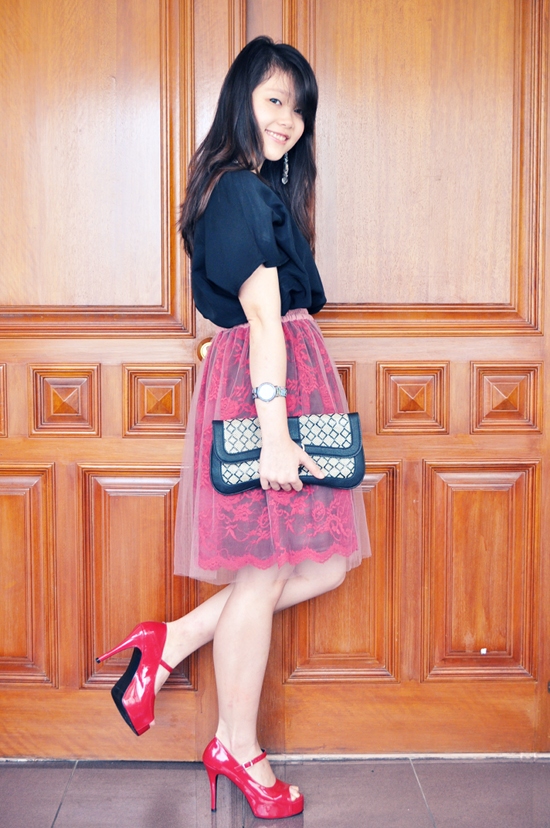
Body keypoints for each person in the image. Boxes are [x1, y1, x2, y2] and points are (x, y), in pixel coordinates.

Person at [97, 35, 370, 820]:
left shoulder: (240, 189)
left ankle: (171, 643)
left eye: (299, 109)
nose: (288, 120)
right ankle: (239, 747)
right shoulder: (242, 192)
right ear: (241, 102)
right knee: (265, 572)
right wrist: (276, 431)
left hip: (268, 382)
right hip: (269, 393)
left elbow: (252, 315)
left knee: (316, 567)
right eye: (275, 100)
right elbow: (263, 319)